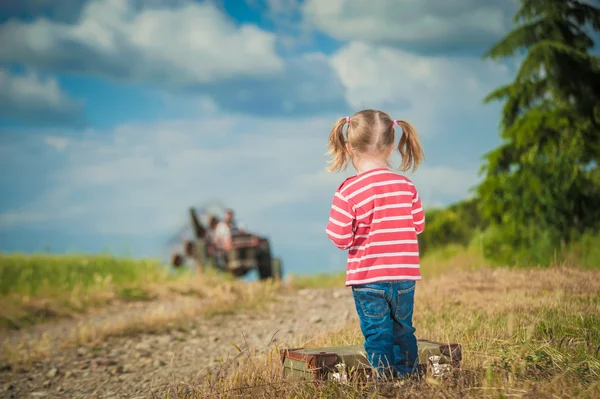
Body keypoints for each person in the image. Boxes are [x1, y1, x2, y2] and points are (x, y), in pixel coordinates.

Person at [324, 109, 425, 382]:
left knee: (378, 336)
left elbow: (340, 238)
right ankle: (410, 383)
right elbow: (418, 225)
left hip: (368, 280)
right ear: (392, 147)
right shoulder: (406, 186)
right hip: (404, 276)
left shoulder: (348, 191)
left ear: (348, 147)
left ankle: (385, 385)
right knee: (404, 332)